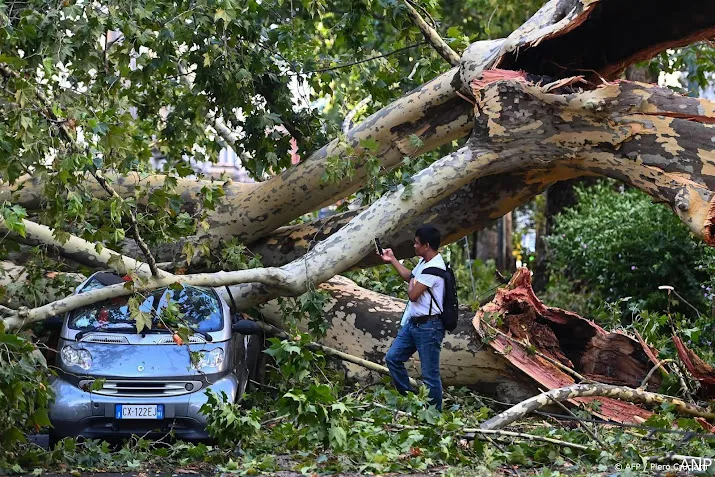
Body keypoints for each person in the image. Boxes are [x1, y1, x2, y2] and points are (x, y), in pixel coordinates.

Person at [380, 224, 446, 410]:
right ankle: (410, 401)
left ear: (426, 245)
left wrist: (412, 283)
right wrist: (392, 259)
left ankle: (434, 416)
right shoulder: (424, 263)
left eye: (417, 243)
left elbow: (413, 295)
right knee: (393, 358)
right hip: (413, 324)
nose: (414, 246)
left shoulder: (434, 268)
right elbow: (411, 276)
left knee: (430, 375)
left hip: (429, 327)